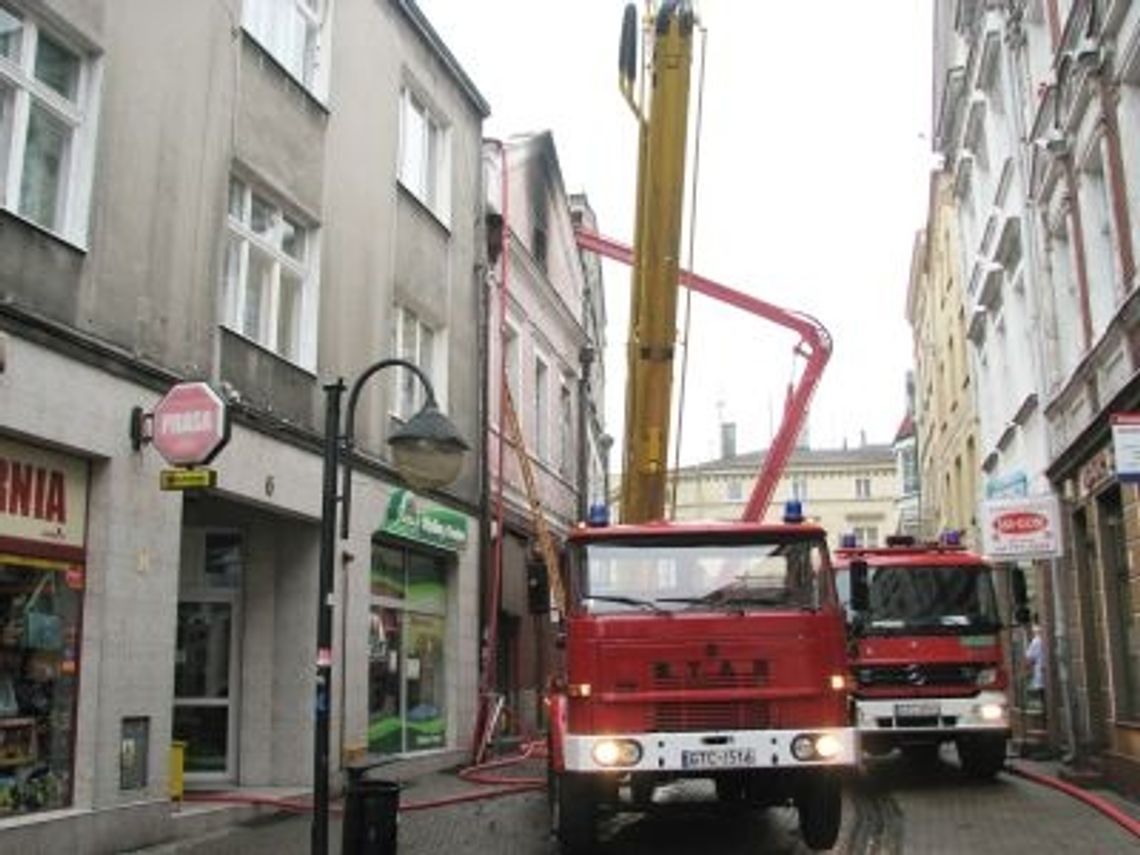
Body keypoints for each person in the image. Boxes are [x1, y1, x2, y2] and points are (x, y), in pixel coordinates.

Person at [1025, 622, 1045, 711]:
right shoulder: (1042, 640)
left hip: (1040, 673)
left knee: (1042, 695)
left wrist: (1027, 670)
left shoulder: (1036, 641)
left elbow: (1030, 658)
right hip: (1043, 672)